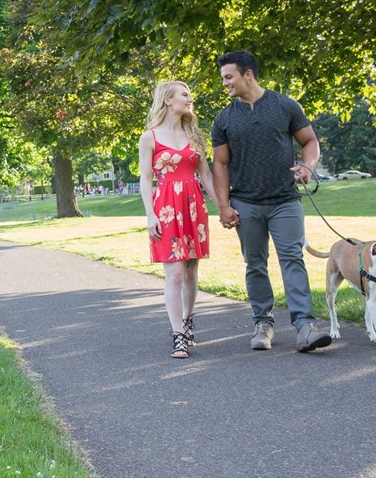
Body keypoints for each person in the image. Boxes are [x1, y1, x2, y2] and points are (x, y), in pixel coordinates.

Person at [211, 50, 332, 353]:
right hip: (246, 203)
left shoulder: (285, 106)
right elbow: (220, 164)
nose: (225, 83)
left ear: (247, 74)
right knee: (255, 264)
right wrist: (224, 206)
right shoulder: (224, 118)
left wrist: (307, 166)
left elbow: (310, 142)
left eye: (229, 77)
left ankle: (304, 326)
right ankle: (263, 323)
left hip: (284, 201)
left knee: (293, 258)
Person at [140, 81, 219, 359]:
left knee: (190, 269)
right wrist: (150, 214)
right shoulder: (149, 137)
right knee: (173, 273)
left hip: (193, 205)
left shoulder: (195, 135)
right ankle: (177, 335)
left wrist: (223, 206)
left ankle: (188, 321)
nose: (189, 98)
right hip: (166, 208)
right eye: (184, 94)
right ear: (167, 101)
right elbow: (146, 179)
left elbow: (206, 175)